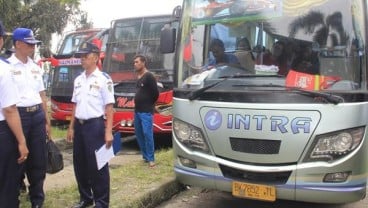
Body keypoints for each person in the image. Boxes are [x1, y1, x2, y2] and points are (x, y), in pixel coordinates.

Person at [67, 42, 115, 208]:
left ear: (95, 57)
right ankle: (85, 198)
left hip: (95, 126)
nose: (82, 59)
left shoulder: (104, 80)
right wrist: (71, 127)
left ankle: (101, 202)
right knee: (80, 163)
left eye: (85, 56)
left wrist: (108, 132)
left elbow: (109, 107)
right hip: (79, 126)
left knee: (98, 164)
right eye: (81, 56)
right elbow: (75, 105)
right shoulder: (78, 79)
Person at [7, 27, 50, 208]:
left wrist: (47, 121)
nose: (33, 47)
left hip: (37, 116)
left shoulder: (35, 67)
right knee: (17, 159)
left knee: (38, 161)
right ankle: (13, 198)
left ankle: (37, 201)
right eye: (29, 43)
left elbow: (42, 95)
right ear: (17, 44)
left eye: (34, 43)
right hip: (19, 117)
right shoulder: (7, 67)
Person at [0, 20, 29, 208]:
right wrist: (21, 141)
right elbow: (10, 109)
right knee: (6, 186)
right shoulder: (4, 69)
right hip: (2, 133)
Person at [133, 54, 159, 168]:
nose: (135, 64)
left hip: (146, 110)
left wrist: (150, 104)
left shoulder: (149, 76)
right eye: (134, 62)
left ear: (143, 63)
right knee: (139, 134)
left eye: (137, 62)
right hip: (137, 110)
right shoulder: (139, 77)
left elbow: (155, 93)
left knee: (147, 134)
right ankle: (145, 156)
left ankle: (151, 159)